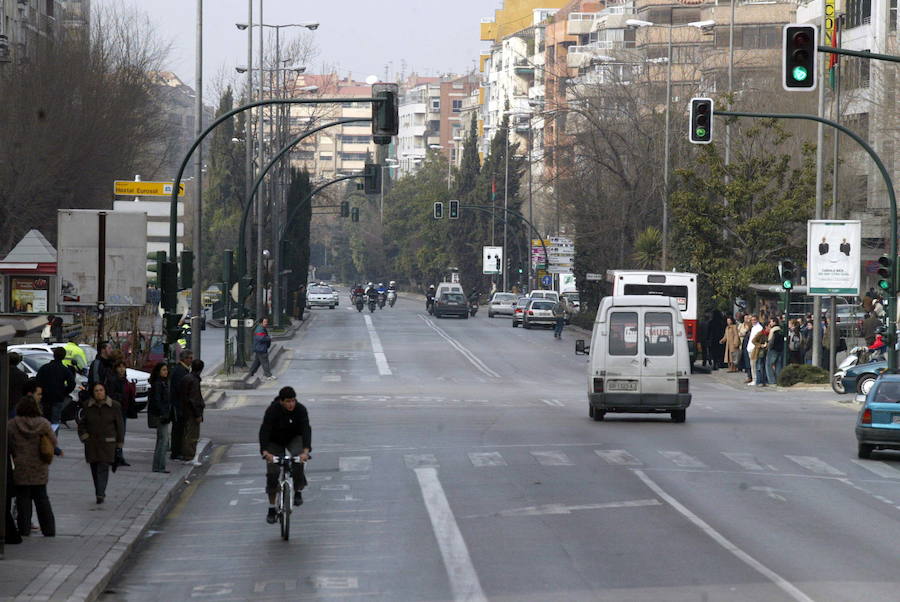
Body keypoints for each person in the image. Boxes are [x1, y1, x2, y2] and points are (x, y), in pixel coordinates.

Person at [259, 386, 311, 524]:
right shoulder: (272, 410)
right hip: (275, 441)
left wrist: (306, 451)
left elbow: (306, 429)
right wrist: (265, 452)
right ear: (281, 401)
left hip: (294, 438)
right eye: (288, 401)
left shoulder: (301, 410)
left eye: (293, 401)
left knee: (298, 458)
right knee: (273, 472)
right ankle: (271, 508)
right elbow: (264, 430)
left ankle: (298, 490)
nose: (291, 404)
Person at [8, 396, 58, 537]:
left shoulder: (12, 424)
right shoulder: (44, 424)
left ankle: (24, 529)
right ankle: (49, 530)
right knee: (42, 498)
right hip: (39, 467)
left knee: (23, 499)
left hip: (20, 467)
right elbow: (53, 442)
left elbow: (8, 444)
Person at [78, 383, 124, 504]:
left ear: (105, 391)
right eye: (96, 391)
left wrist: (119, 444)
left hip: (108, 443)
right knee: (94, 468)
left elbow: (119, 426)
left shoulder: (114, 406)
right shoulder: (87, 406)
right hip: (92, 443)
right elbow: (82, 424)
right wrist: (85, 437)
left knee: (103, 467)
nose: (99, 393)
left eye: (101, 390)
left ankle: (100, 493)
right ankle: (98, 490)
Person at [35, 346, 75, 427]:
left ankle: (44, 438)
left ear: (53, 355)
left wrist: (41, 393)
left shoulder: (45, 368)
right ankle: (53, 438)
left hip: (45, 398)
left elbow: (37, 382)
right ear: (63, 357)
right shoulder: (64, 369)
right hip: (58, 398)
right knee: (55, 422)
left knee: (44, 421)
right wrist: (64, 392)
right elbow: (72, 384)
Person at [108, 360, 136, 466]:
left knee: (121, 433)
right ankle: (115, 456)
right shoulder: (113, 380)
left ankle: (119, 456)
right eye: (119, 367)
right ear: (115, 368)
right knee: (117, 433)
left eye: (123, 367)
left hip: (123, 410)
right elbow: (111, 395)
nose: (122, 369)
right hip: (116, 410)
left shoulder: (125, 380)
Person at [147, 362, 173, 473]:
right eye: (163, 370)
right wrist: (163, 413)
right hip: (161, 415)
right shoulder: (158, 383)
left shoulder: (163, 382)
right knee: (163, 441)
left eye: (166, 370)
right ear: (158, 371)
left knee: (161, 440)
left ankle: (158, 466)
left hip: (162, 414)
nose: (165, 372)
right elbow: (157, 400)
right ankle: (159, 467)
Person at [179, 359, 205, 464]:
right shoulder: (194, 380)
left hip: (185, 411)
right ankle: (189, 456)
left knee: (187, 433)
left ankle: (187, 455)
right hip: (192, 413)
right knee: (192, 435)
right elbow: (194, 399)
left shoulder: (187, 378)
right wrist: (198, 414)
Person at [169, 350, 193, 461]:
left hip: (180, 405)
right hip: (179, 405)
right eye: (189, 358)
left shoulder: (183, 370)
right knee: (178, 429)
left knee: (180, 429)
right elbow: (180, 389)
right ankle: (176, 451)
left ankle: (178, 451)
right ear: (184, 359)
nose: (191, 360)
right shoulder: (180, 371)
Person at [766, 317, 784, 385]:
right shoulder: (781, 330)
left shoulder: (773, 330)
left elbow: (771, 341)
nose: (770, 323)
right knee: (778, 366)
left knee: (769, 365)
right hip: (780, 350)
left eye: (771, 322)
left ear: (774, 322)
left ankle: (772, 381)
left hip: (773, 350)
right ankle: (779, 380)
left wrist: (768, 347)